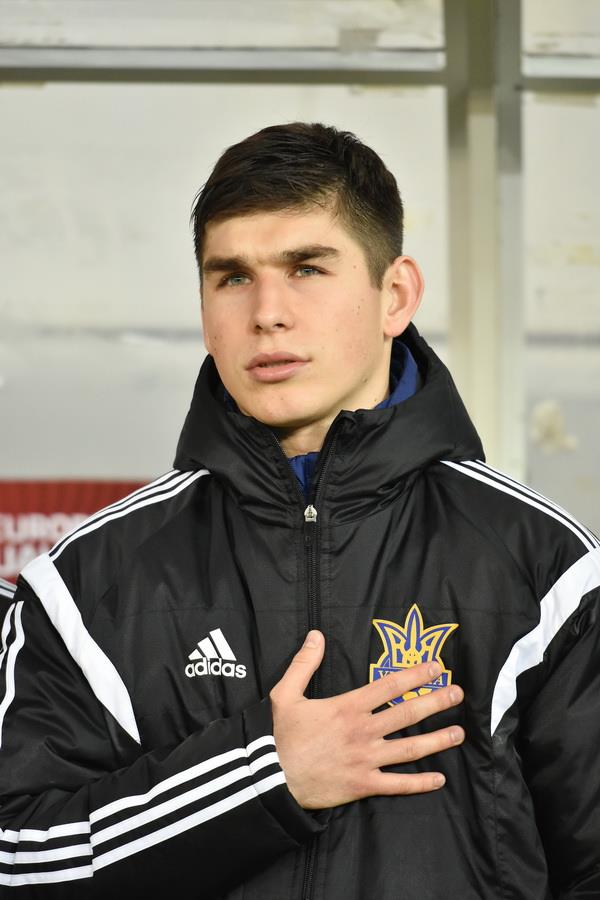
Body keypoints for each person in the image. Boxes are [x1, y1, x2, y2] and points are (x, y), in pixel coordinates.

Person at [0, 123, 598, 899]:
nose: (267, 313)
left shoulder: (545, 566)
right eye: (232, 277)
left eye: (307, 268)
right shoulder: (87, 583)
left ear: (395, 296)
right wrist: (262, 777)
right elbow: (17, 859)